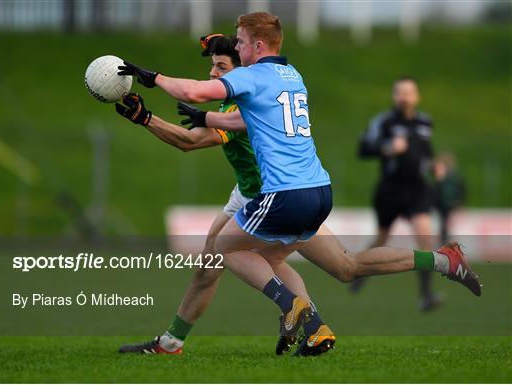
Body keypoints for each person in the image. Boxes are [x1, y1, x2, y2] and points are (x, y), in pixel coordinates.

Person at [114, 14, 482, 356]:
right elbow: (247, 118)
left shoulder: (250, 79)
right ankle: (440, 262)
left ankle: (294, 309)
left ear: (258, 46)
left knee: (223, 250)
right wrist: (206, 115)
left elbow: (195, 114)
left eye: (237, 47)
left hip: (275, 195)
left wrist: (152, 81)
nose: (230, 57)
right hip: (317, 190)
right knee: (340, 267)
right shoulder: (292, 76)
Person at [355, 77, 443, 311]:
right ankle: (357, 271)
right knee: (381, 240)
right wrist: (388, 148)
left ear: (417, 96)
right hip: (390, 190)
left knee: (426, 239)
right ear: (394, 96)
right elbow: (363, 149)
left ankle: (426, 295)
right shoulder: (384, 122)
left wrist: (434, 166)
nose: (404, 96)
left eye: (409, 92)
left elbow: (426, 152)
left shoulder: (425, 122)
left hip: (417, 189)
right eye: (400, 92)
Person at [434, 152, 466, 243]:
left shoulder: (454, 177)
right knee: (445, 226)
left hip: (449, 204)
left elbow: (461, 189)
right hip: (443, 205)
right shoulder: (443, 176)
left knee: (447, 226)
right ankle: (445, 243)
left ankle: (448, 244)